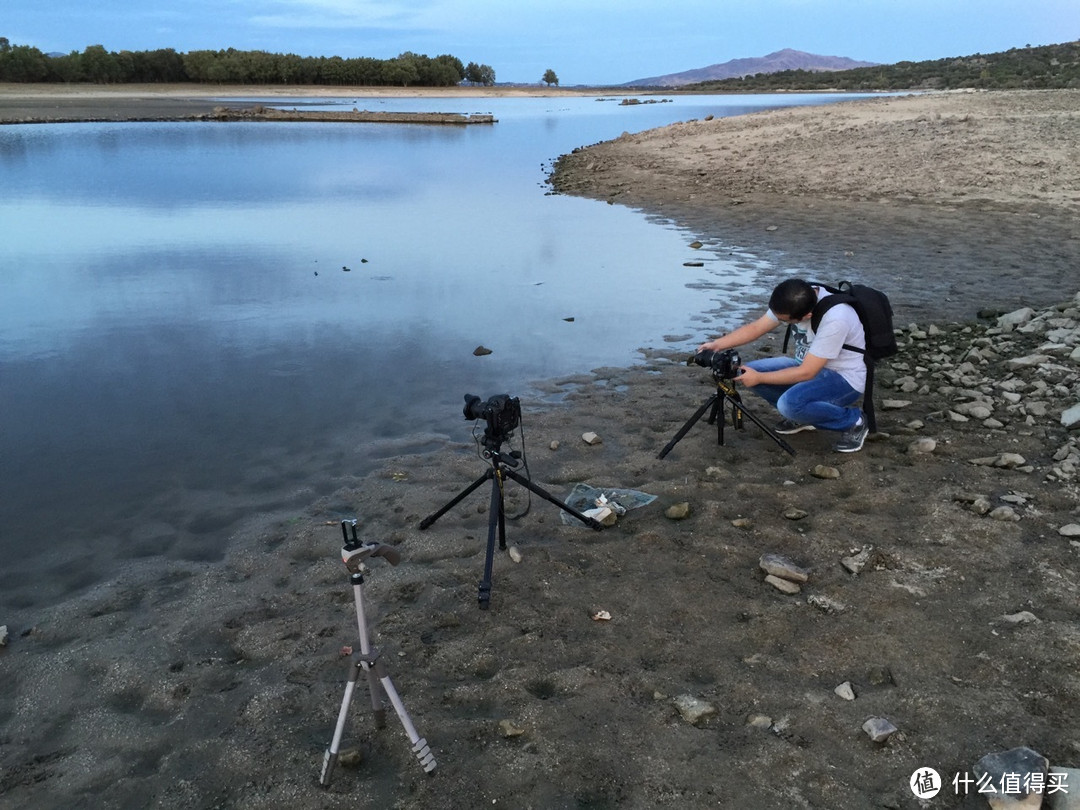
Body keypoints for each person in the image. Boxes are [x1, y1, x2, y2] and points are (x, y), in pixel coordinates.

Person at [698, 278, 869, 453]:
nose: (779, 321)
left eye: (784, 321)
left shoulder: (836, 318)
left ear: (807, 316)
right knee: (749, 372)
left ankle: (854, 421)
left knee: (789, 405)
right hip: (808, 365)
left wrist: (759, 378)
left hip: (844, 379)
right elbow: (756, 328)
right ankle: (804, 416)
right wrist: (717, 344)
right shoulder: (794, 297)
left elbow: (806, 373)